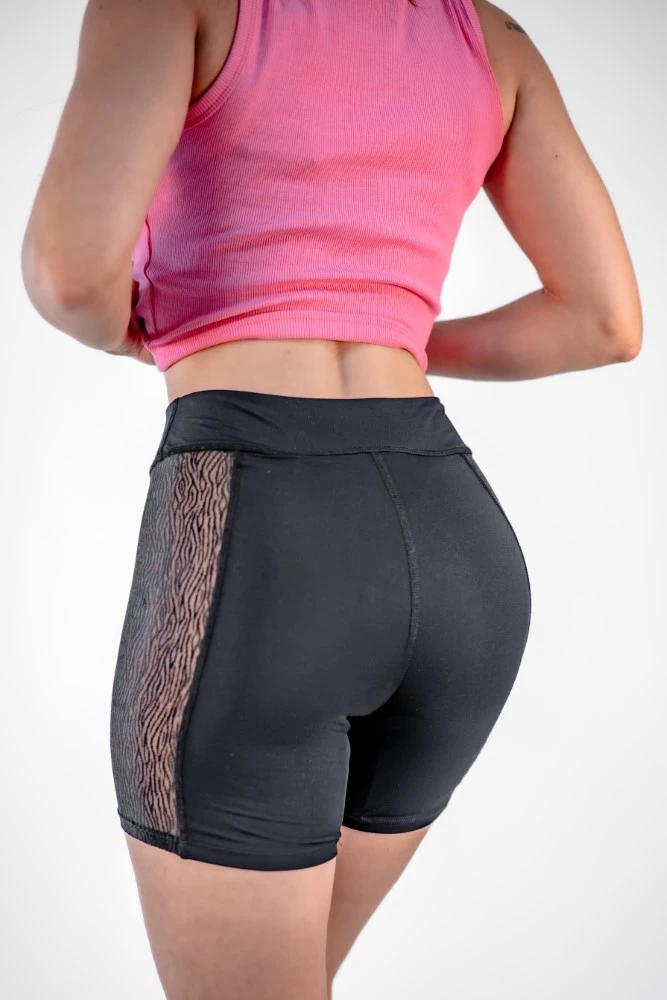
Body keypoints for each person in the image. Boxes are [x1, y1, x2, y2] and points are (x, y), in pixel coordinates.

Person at [20, 0, 642, 996]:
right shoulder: (490, 37)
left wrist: (142, 330)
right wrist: (385, 326)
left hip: (261, 542)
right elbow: (604, 320)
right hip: (459, 551)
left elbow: (69, 273)